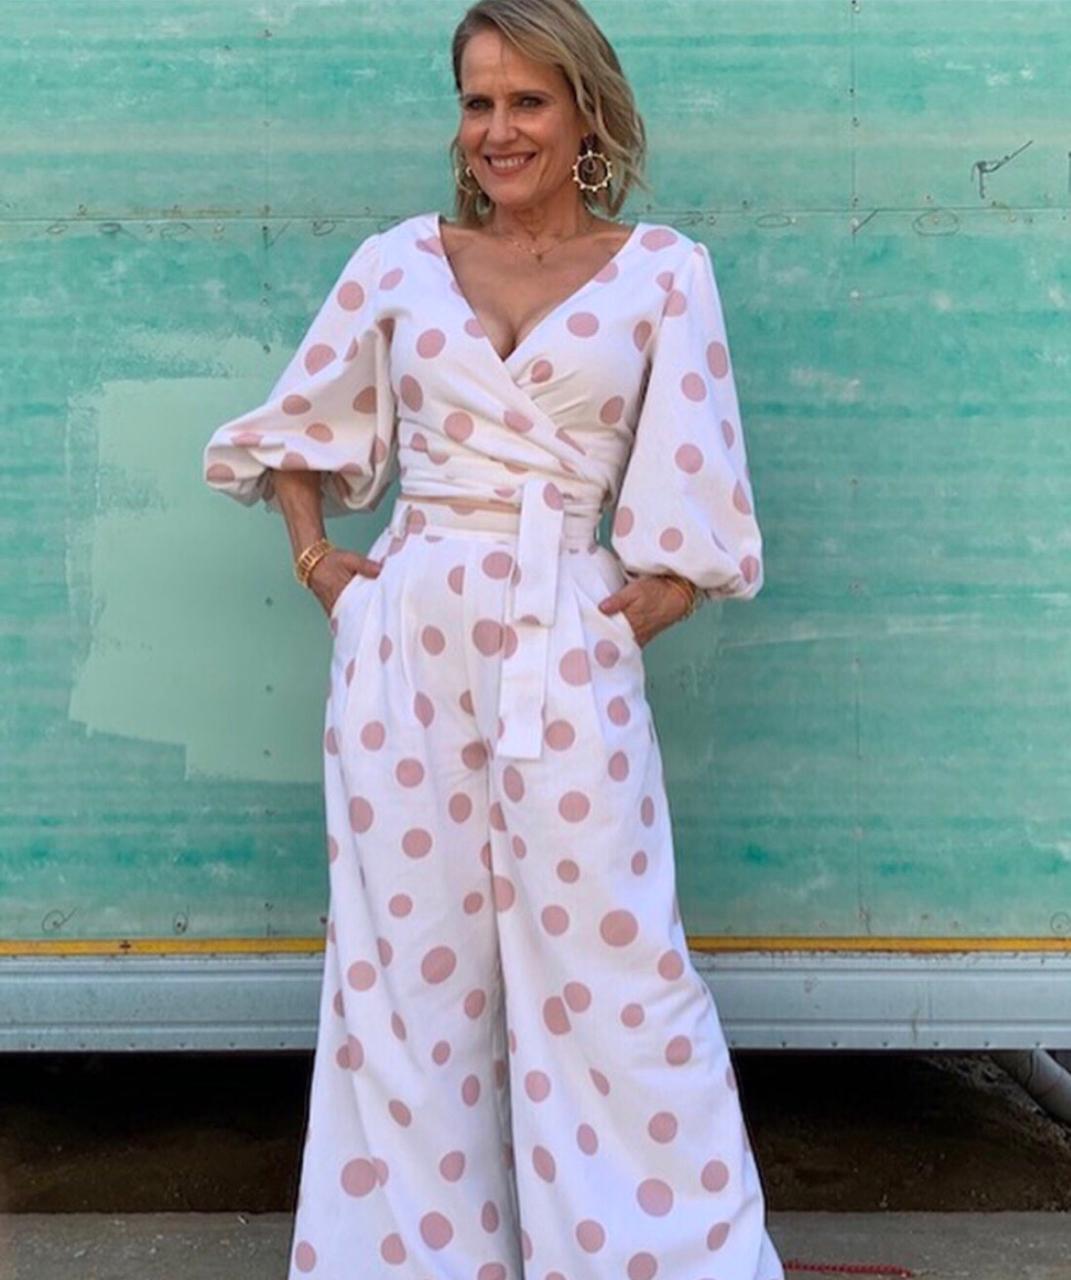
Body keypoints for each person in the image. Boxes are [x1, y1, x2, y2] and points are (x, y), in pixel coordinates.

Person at [203, 1, 782, 1275]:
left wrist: (644, 603)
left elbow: (699, 481)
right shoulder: (400, 262)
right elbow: (292, 431)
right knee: (401, 983)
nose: (498, 130)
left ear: (586, 115)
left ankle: (659, 1258)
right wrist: (325, 568)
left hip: (563, 641)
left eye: (527, 100)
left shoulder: (663, 271)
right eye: (477, 102)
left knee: (617, 976)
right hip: (404, 644)